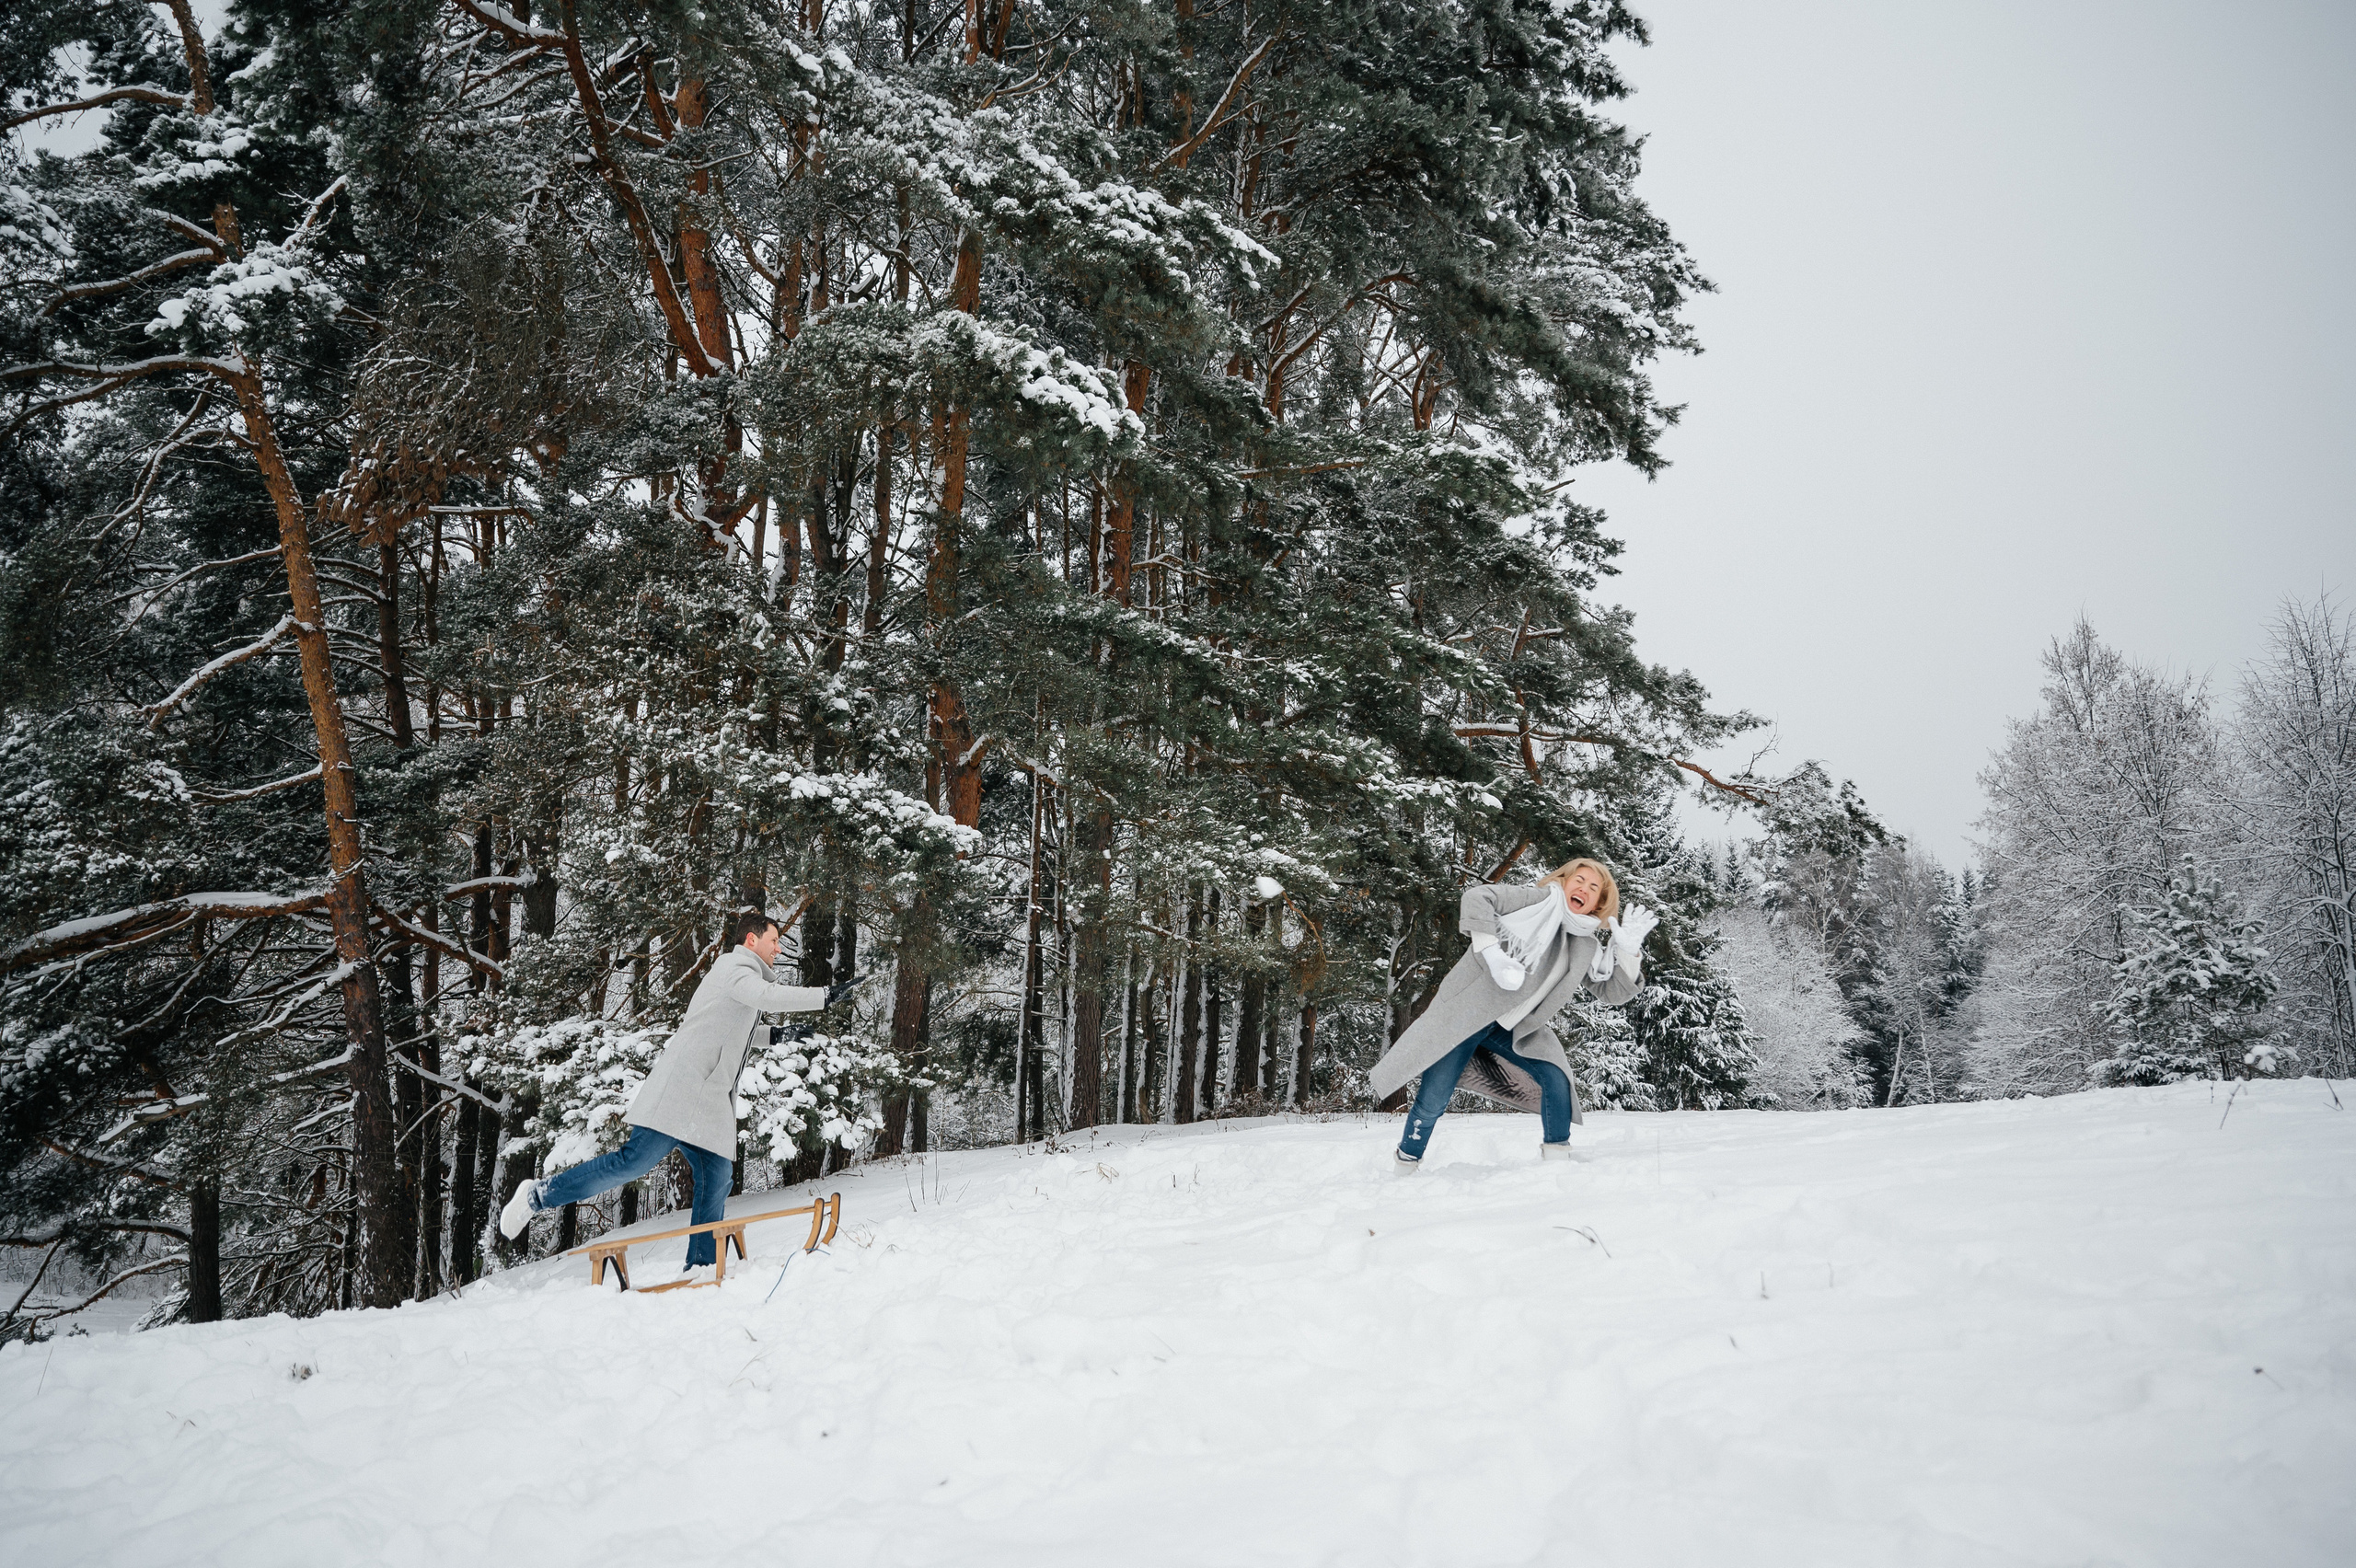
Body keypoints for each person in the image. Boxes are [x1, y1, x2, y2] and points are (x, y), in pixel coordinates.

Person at [499, 908, 854, 1269]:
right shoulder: (736, 968)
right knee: (632, 1162)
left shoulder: (741, 980)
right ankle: (537, 1196)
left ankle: (700, 1265)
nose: (778, 949)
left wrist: (776, 1035)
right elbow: (768, 996)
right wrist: (824, 996)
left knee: (716, 1175)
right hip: (683, 1090)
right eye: (774, 940)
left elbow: (726, 1027)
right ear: (752, 939)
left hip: (706, 1100)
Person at [1368, 859, 1657, 1168]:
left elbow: (1611, 992)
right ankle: (1407, 1161)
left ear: (1598, 904)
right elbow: (1478, 897)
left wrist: (1629, 953)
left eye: (1593, 887)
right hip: (1467, 1017)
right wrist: (1492, 954)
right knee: (1433, 1100)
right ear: (1564, 881)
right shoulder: (1535, 900)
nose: (1583, 888)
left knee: (1556, 1077)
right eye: (1579, 879)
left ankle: (1557, 1160)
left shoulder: (1584, 945)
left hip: (1516, 1029)